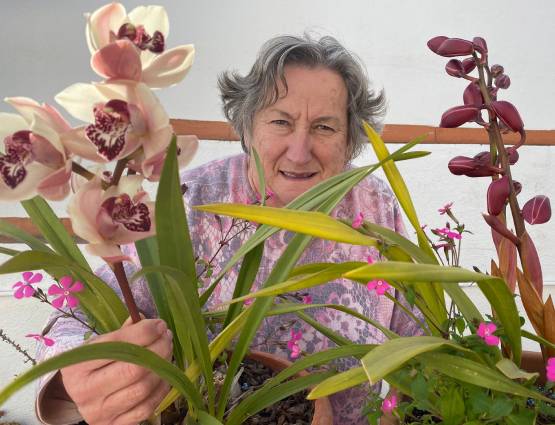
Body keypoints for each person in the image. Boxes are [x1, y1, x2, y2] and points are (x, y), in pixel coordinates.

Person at [35, 34, 422, 425]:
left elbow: (418, 333)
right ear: (247, 127)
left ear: (351, 140)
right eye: (280, 122)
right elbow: (75, 312)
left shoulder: (374, 206)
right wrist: (73, 383)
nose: (300, 150)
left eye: (324, 127)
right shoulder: (192, 205)